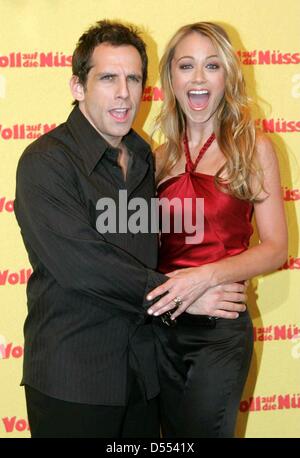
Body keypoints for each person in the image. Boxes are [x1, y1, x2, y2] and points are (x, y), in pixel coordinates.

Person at [14, 19, 248, 438]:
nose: (123, 92)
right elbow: (82, 265)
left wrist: (213, 274)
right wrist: (182, 294)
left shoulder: (145, 157)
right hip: (75, 381)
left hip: (144, 376)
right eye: (107, 78)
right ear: (77, 87)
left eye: (133, 78)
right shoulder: (46, 161)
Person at [147, 22, 288, 438]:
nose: (197, 78)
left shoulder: (254, 148)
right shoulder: (155, 157)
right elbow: (140, 250)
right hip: (163, 327)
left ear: (228, 75)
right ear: (171, 78)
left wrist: (207, 277)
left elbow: (277, 247)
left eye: (211, 66)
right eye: (186, 65)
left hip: (220, 329)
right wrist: (177, 292)